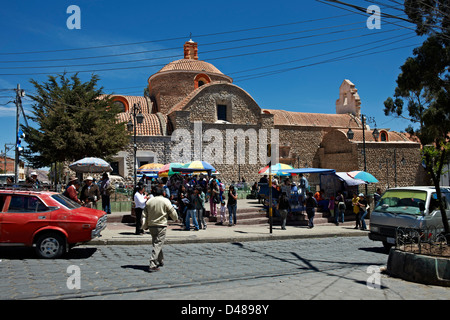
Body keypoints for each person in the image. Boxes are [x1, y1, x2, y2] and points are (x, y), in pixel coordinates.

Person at [142, 186, 179, 272]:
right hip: (161, 225)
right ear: (163, 193)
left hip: (151, 225)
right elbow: (172, 212)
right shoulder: (165, 201)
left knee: (157, 242)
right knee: (158, 243)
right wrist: (175, 218)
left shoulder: (149, 201)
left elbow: (144, 215)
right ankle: (152, 263)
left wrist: (144, 225)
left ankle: (160, 260)